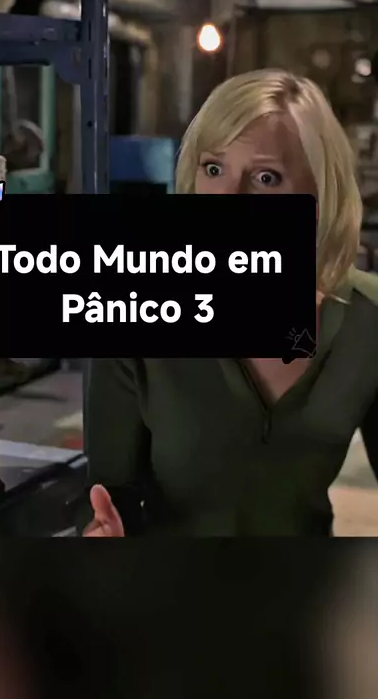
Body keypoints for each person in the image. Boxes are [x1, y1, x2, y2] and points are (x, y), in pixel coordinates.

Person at [80, 68, 378, 537]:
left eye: (266, 177)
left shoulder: (367, 319)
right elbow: (108, 500)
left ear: (320, 195)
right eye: (214, 169)